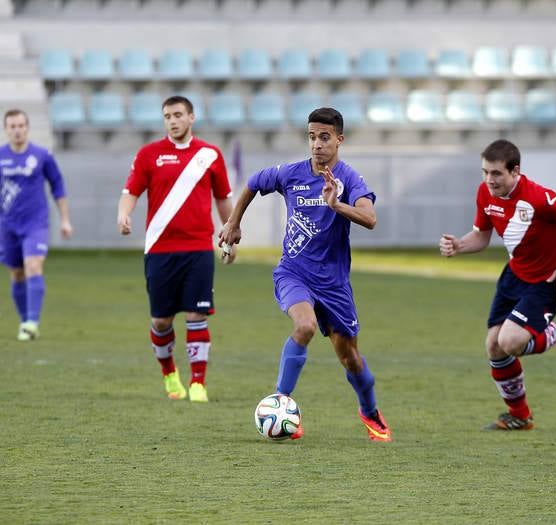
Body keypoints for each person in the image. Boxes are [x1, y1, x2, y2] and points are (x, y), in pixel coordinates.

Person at [218, 107, 391, 442]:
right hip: (293, 273)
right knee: (305, 325)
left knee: (350, 358)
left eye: (324, 137)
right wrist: (233, 223)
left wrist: (336, 205)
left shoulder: (350, 179)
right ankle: (281, 404)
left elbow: (370, 220)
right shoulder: (290, 173)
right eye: (312, 137)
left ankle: (370, 412)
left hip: (334, 284)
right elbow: (253, 183)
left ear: (339, 140)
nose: (316, 144)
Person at [439, 139, 556, 431]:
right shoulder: (485, 194)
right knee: (494, 347)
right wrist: (459, 245)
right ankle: (520, 416)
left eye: (496, 173)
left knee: (510, 342)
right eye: (485, 172)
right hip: (515, 274)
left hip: (547, 280)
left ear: (515, 171)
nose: (489, 180)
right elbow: (482, 236)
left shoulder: (539, 198)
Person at [117, 95, 235, 403]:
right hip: (159, 249)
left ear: (191, 117)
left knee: (197, 314)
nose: (173, 120)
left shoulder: (210, 155)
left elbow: (223, 198)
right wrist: (123, 212)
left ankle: (198, 382)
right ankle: (170, 374)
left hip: (198, 248)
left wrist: (230, 235)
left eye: (178, 114)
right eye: (167, 115)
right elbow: (131, 191)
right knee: (161, 320)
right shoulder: (149, 155)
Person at [1, 109, 73, 341]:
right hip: (7, 225)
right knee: (17, 272)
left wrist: (65, 220)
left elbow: (58, 186)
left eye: (21, 125)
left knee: (33, 265)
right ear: (6, 129)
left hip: (36, 223)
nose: (17, 130)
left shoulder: (42, 155)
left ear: (27, 127)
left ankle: (32, 322)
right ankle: (25, 321)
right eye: (12, 126)